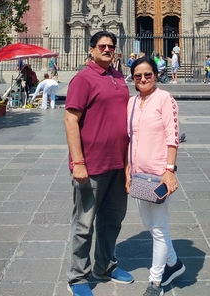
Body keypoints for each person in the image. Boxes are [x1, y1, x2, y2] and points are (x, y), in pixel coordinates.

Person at [64, 31, 132, 296]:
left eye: (110, 46)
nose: (107, 49)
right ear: (91, 49)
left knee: (112, 220)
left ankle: (105, 266)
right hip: (91, 164)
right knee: (84, 223)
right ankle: (78, 277)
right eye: (102, 46)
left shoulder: (117, 77)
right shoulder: (83, 78)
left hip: (117, 162)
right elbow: (70, 120)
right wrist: (78, 162)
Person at [127, 56, 185, 296]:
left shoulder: (165, 99)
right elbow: (128, 139)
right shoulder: (130, 103)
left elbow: (173, 137)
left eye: (147, 74)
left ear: (156, 75)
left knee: (159, 227)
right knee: (149, 225)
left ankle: (155, 282)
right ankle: (174, 263)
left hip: (160, 175)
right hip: (139, 175)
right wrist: (127, 169)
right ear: (133, 78)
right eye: (138, 75)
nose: (142, 79)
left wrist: (169, 171)